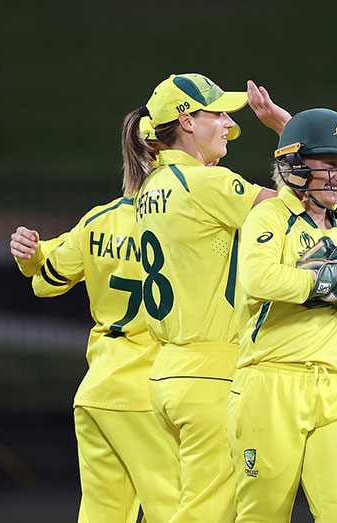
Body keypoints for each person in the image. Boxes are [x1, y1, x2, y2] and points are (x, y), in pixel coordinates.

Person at [228, 107, 337, 522]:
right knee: (262, 516)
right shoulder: (269, 214)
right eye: (330, 164)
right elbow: (258, 279)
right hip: (271, 384)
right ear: (294, 163)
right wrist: (327, 283)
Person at [8, 116, 181, 523]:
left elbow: (46, 278)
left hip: (98, 391)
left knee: (102, 513)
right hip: (150, 392)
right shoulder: (189, 221)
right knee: (175, 509)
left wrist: (30, 254)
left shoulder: (99, 220)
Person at [127, 73, 276, 523]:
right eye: (218, 114)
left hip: (168, 373)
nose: (230, 124)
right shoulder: (204, 185)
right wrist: (283, 127)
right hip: (211, 370)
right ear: (186, 121)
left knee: (185, 508)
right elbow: (303, 206)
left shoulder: (149, 187)